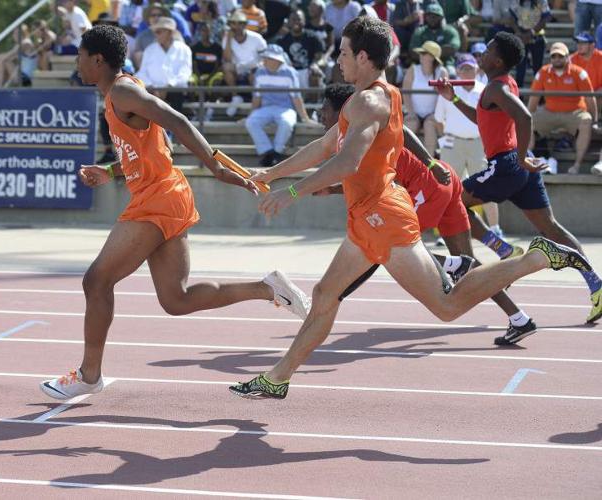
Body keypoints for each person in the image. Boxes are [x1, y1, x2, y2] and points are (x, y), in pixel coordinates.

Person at [230, 18, 591, 399]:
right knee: (324, 295)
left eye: (344, 53)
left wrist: (293, 192)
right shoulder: (372, 95)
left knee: (447, 306)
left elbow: (346, 162)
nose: (338, 60)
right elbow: (324, 147)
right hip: (367, 218)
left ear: (364, 56)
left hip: (383, 218)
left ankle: (533, 258)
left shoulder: (369, 102)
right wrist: (271, 172)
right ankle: (278, 376)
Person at [39, 25, 311, 400]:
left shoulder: (122, 90)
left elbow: (177, 121)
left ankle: (89, 374)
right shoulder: (116, 94)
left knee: (96, 281)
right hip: (167, 194)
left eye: (80, 56)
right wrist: (112, 170)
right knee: (176, 299)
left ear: (97, 60)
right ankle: (267, 288)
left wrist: (215, 168)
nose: (77, 62)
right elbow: (153, 145)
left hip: (157, 199)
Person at [315, 83, 535, 345]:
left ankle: (454, 264)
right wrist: (332, 189)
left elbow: (400, 138)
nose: (320, 115)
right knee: (469, 265)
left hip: (429, 184)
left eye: (325, 109)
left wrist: (335, 294)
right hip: (444, 179)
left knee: (391, 247)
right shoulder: (357, 131)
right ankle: (519, 318)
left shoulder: (362, 133)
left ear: (342, 111)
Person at [435, 32, 602, 323]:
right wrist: (454, 99)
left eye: (486, 50)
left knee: (450, 203)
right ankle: (596, 285)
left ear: (497, 60)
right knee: (550, 227)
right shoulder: (501, 86)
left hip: (507, 164)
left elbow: (525, 118)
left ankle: (502, 248)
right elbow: (483, 119)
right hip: (518, 167)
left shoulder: (496, 90)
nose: (481, 55)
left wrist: (522, 156)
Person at [434, 53, 503, 236]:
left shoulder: (484, 90)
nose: (466, 71)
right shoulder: (446, 91)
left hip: (478, 144)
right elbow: (438, 120)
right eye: (463, 68)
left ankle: (495, 228)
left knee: (487, 188)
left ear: (476, 70)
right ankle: (445, 232)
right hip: (453, 143)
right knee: (447, 188)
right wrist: (448, 138)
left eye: (470, 68)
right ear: (457, 70)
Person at [528, 41, 597, 175]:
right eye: (554, 56)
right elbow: (534, 98)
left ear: (567, 57)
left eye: (560, 56)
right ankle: (525, 162)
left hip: (574, 112)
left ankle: (576, 165)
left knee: (586, 120)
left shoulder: (579, 72)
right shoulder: (543, 72)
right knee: (527, 121)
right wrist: (527, 115)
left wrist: (594, 120)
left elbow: (590, 98)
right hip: (549, 112)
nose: (557, 59)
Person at [245, 44, 314, 167]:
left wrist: (305, 118)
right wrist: (250, 115)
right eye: (265, 57)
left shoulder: (290, 73)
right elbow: (257, 97)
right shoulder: (260, 72)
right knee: (251, 122)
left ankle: (275, 152)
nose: (264, 60)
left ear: (276, 60)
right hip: (265, 108)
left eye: (268, 58)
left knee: (286, 122)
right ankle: (269, 152)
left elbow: (296, 98)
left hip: (285, 108)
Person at [136, 17, 192, 114]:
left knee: (176, 98)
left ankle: (174, 128)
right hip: (152, 90)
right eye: (155, 32)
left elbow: (185, 73)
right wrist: (152, 87)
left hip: (175, 91)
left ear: (169, 33)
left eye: (159, 32)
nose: (156, 35)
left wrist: (169, 86)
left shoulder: (184, 49)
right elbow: (142, 72)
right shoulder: (149, 49)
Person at [403, 40, 448, 155]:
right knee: (410, 125)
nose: (420, 55)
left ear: (432, 58)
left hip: (433, 114)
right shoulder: (413, 70)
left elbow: (444, 97)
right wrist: (411, 112)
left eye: (424, 53)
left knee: (430, 125)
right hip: (414, 112)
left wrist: (437, 114)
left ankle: (429, 165)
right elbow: (406, 93)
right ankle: (401, 161)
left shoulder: (442, 72)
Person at [222, 10, 267, 116]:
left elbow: (265, 56)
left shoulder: (256, 38)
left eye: (240, 23)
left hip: (255, 67)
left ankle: (256, 102)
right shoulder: (227, 38)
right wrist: (228, 39)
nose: (236, 26)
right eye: (233, 23)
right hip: (238, 68)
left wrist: (258, 65)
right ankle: (235, 97)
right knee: (226, 67)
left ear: (245, 25)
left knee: (254, 74)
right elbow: (227, 59)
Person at [278, 10, 325, 87]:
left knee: (314, 74)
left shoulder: (313, 37)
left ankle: (312, 99)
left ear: (304, 21)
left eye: (299, 19)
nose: (296, 22)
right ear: (288, 22)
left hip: (308, 71)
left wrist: (315, 65)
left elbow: (320, 57)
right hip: (290, 72)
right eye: (293, 19)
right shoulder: (282, 41)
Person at [508, 0, 550, 87]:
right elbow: (511, 18)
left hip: (537, 37)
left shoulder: (542, 1)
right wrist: (519, 33)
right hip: (521, 36)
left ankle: (539, 94)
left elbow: (546, 18)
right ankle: (519, 93)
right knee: (520, 68)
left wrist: (531, 33)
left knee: (538, 68)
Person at [410, 3, 461, 70]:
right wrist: (431, 57)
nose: (432, 18)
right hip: (423, 64)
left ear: (442, 17)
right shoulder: (420, 31)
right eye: (429, 16)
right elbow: (413, 51)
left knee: (451, 73)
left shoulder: (450, 31)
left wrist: (427, 53)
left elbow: (452, 49)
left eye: (435, 16)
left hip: (446, 63)